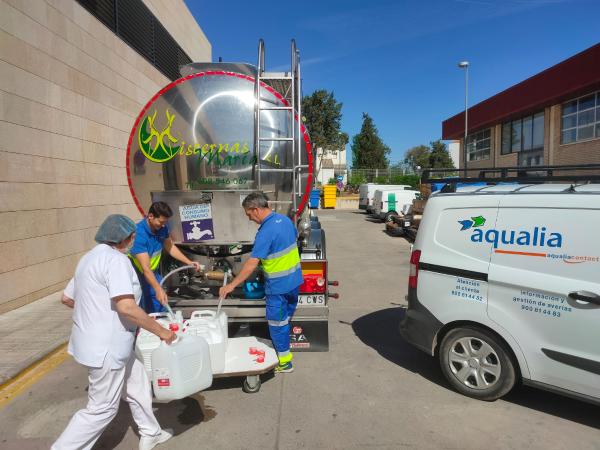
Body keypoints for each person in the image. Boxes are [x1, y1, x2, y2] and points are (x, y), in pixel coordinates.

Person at [52, 214, 176, 450]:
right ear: (126, 238)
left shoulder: (88, 258)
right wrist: (162, 332)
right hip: (108, 348)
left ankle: (151, 432)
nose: (133, 240)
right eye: (132, 237)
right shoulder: (116, 261)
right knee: (102, 409)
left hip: (100, 343)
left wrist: (95, 312)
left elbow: (67, 298)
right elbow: (126, 307)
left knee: (138, 383)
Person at [219, 192, 303, 373]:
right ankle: (284, 349)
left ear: (256, 209)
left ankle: (285, 363)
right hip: (294, 282)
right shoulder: (285, 221)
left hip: (278, 288)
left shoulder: (265, 232)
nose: (249, 218)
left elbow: (251, 264)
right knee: (285, 321)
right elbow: (288, 244)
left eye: (249, 214)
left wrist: (231, 285)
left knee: (277, 324)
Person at [129, 202, 201, 313]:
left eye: (165, 222)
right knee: (144, 306)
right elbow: (145, 268)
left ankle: (160, 320)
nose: (163, 225)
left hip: (153, 273)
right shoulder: (139, 234)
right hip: (139, 275)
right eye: (161, 222)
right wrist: (158, 289)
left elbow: (170, 247)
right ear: (151, 216)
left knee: (160, 304)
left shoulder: (162, 228)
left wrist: (189, 262)